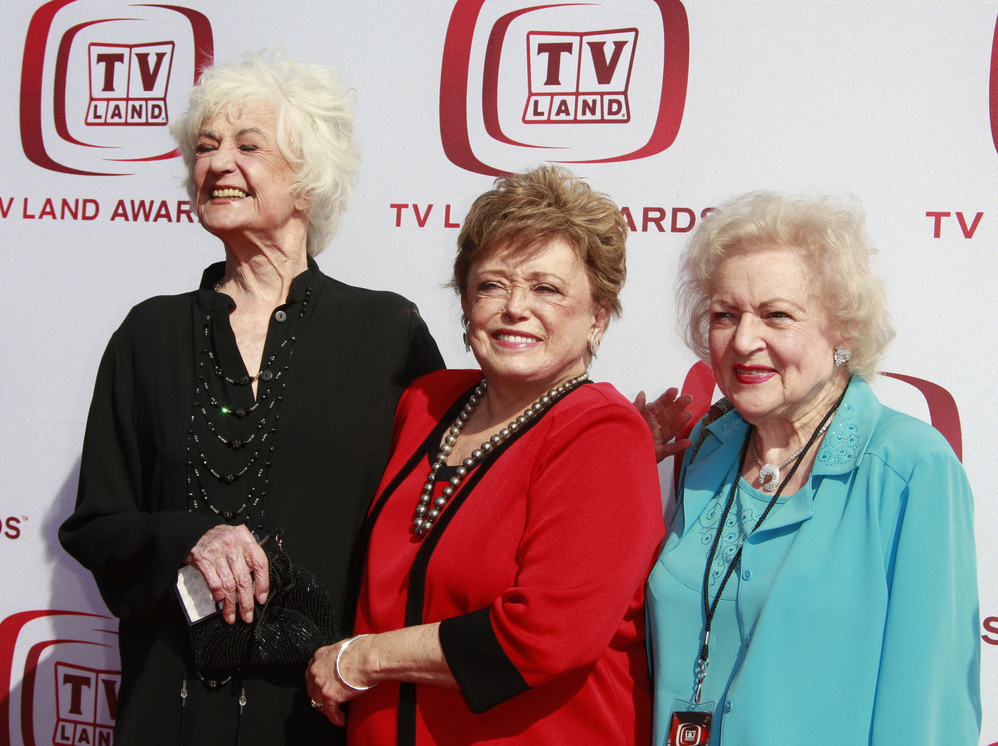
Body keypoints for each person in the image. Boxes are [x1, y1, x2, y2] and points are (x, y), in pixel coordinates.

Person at [58, 52, 443, 745]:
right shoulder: (149, 333)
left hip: (326, 711)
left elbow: (452, 489)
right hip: (167, 709)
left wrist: (580, 433)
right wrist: (189, 537)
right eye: (204, 148)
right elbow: (97, 525)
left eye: (247, 145)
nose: (216, 164)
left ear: (308, 176)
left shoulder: (385, 332)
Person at [306, 165, 682, 744]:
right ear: (465, 301)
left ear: (598, 317)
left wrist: (362, 661)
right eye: (492, 284)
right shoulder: (426, 403)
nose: (515, 307)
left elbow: (544, 635)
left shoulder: (602, 432)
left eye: (546, 288)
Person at [645, 192, 981, 744]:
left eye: (777, 315)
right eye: (724, 316)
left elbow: (932, 711)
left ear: (842, 330)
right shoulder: (709, 448)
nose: (745, 340)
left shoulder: (909, 467)